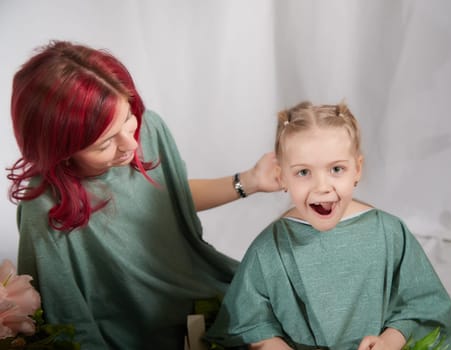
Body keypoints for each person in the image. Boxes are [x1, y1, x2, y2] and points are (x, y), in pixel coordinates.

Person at [7, 40, 280, 349]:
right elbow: (66, 320)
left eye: (127, 117)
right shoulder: (42, 207)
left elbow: (167, 196)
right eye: (105, 143)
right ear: (60, 149)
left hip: (199, 292)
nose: (131, 144)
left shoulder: (149, 128)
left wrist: (250, 181)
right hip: (129, 334)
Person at [205, 101, 451, 350]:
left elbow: (423, 304)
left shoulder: (389, 233)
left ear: (357, 170)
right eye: (303, 172)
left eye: (336, 169)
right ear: (282, 177)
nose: (322, 187)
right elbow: (249, 323)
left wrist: (388, 341)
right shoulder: (270, 247)